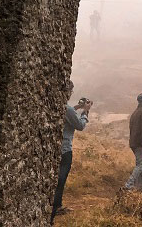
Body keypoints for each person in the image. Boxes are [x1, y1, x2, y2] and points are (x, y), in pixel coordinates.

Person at [51, 80, 91, 223]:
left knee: (55, 179)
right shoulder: (67, 109)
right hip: (65, 150)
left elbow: (69, 113)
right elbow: (79, 125)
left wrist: (78, 107)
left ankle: (56, 206)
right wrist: (85, 111)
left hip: (54, 149)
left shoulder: (57, 105)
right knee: (60, 180)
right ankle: (54, 210)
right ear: (68, 92)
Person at [125, 93, 142, 191]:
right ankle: (129, 184)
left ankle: (140, 187)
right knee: (140, 164)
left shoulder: (135, 113)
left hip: (133, 143)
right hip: (140, 143)